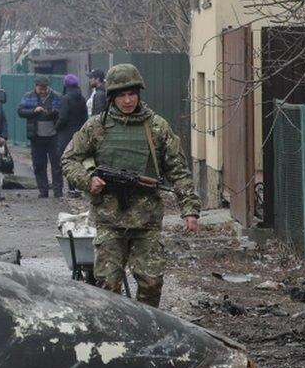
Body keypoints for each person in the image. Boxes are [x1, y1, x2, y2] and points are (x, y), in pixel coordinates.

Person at [62, 63, 201, 308]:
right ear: (112, 97)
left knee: (151, 283)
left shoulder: (157, 127)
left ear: (139, 94)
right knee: (108, 286)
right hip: (109, 221)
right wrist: (88, 180)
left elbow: (178, 171)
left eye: (132, 94)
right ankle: (115, 337)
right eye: (121, 95)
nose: (127, 100)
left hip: (147, 222)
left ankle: (146, 332)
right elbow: (69, 159)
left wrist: (189, 209)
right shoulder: (96, 127)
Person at [18, 75, 64, 198]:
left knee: (56, 165)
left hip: (53, 136)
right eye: (40, 89)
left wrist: (54, 112)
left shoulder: (57, 97)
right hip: (36, 136)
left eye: (45, 88)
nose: (43, 91)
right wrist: (34, 110)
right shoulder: (28, 97)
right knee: (39, 164)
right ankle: (43, 190)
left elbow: (63, 112)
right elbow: (20, 111)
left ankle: (58, 191)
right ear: (36, 86)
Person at [56, 73, 88, 198]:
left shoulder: (65, 98)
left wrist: (56, 127)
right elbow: (85, 117)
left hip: (66, 134)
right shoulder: (82, 98)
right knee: (78, 159)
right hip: (79, 133)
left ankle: (72, 188)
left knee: (67, 160)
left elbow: (62, 117)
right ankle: (79, 187)